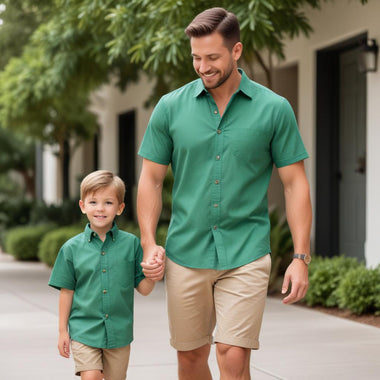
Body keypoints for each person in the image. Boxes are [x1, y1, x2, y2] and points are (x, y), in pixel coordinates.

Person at [137, 7, 312, 380]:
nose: (202, 67)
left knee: (232, 357)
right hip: (186, 251)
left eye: (212, 57)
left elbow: (295, 183)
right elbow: (150, 179)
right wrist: (149, 242)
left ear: (236, 52)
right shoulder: (170, 107)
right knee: (191, 358)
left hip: (246, 251)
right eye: (196, 58)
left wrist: (300, 257)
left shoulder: (274, 109)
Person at [49, 170, 164, 380]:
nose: (100, 208)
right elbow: (67, 292)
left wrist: (153, 272)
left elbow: (144, 289)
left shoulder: (132, 245)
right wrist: (62, 331)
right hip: (84, 330)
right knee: (91, 376)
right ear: (83, 206)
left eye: (108, 203)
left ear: (120, 208)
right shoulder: (71, 249)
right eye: (93, 202)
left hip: (119, 333)